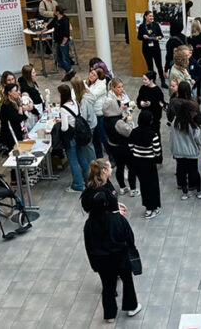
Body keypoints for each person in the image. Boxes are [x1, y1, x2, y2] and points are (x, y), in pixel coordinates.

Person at [83, 184, 142, 323]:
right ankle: (131, 307)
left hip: (102, 261)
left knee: (107, 286)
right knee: (127, 281)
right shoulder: (117, 219)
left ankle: (110, 314)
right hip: (120, 257)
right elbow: (129, 237)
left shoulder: (89, 224)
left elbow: (88, 246)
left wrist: (94, 264)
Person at [171, 91, 201, 200]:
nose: (195, 113)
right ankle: (198, 191)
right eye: (194, 112)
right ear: (189, 112)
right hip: (191, 153)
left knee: (182, 172)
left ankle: (185, 192)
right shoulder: (193, 126)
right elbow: (200, 141)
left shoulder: (175, 123)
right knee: (194, 172)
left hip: (178, 152)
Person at [102, 78, 136, 194]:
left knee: (119, 167)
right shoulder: (118, 122)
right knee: (131, 167)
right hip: (123, 146)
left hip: (112, 145)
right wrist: (128, 121)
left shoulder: (106, 119)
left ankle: (122, 187)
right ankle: (133, 189)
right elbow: (128, 131)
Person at [58, 84, 92, 193]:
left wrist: (60, 123)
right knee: (82, 158)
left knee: (73, 161)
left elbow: (64, 128)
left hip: (70, 137)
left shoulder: (63, 108)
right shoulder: (75, 102)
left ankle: (77, 185)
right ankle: (88, 180)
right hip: (78, 135)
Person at [138, 10, 164, 79]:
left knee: (159, 65)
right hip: (146, 49)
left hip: (155, 48)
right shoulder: (142, 26)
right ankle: (152, 80)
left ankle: (163, 81)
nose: (152, 17)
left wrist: (159, 37)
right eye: (150, 16)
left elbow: (161, 35)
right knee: (150, 67)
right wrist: (143, 36)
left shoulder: (156, 25)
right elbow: (139, 37)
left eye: (152, 16)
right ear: (145, 17)